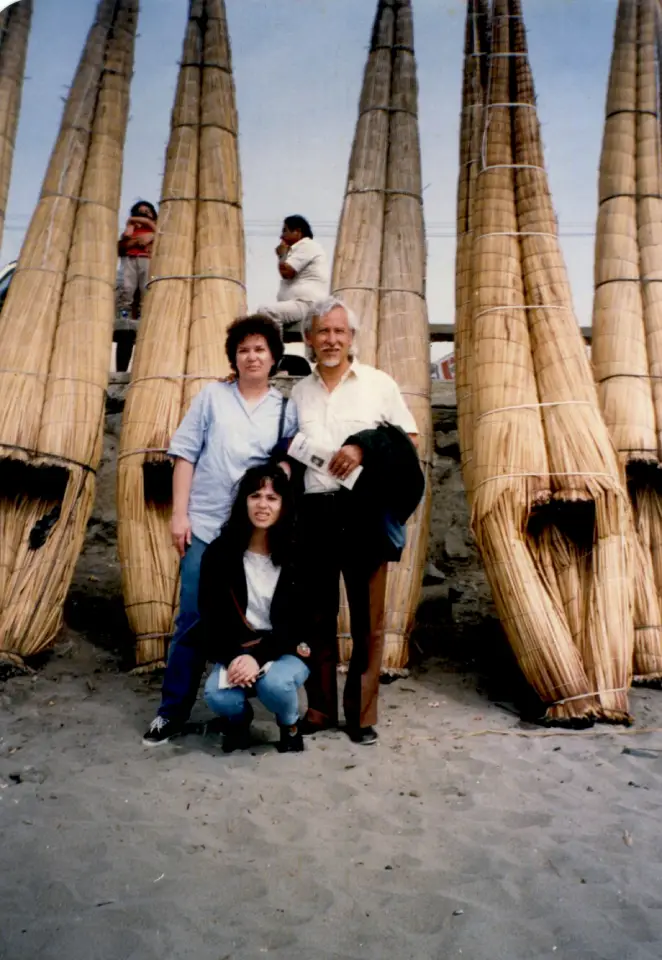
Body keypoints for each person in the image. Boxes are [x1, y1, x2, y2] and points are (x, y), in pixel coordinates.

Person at [142, 315, 298, 746]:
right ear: (234, 356)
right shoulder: (212, 397)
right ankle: (170, 713)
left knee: (250, 615)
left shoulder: (284, 408)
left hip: (253, 535)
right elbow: (185, 454)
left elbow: (287, 466)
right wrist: (180, 515)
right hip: (208, 526)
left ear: (273, 357)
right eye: (244, 349)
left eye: (260, 349)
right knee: (192, 618)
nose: (252, 356)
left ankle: (238, 702)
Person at [289, 296, 419, 746]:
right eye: (323, 331)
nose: (331, 340)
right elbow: (288, 447)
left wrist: (364, 446)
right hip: (314, 512)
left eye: (339, 332)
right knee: (316, 617)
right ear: (309, 338)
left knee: (368, 620)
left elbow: (410, 441)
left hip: (363, 511)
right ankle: (320, 709)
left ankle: (361, 716)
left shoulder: (379, 385)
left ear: (352, 338)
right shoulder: (299, 392)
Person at [200, 464, 310, 754]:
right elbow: (210, 620)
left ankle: (289, 725)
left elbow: (302, 623)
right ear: (244, 502)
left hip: (284, 649)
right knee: (217, 695)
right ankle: (239, 722)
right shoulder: (220, 553)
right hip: (239, 647)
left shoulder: (298, 554)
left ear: (284, 505)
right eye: (255, 496)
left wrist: (258, 658)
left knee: (274, 685)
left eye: (272, 498)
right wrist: (237, 657)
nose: (263, 505)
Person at [257, 215, 330, 334]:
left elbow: (287, 272)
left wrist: (282, 255)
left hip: (306, 303)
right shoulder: (299, 249)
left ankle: (274, 351)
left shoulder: (306, 245)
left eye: (285, 230)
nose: (281, 236)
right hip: (302, 304)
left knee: (266, 311)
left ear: (297, 231)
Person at [114, 200, 158, 371]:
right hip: (132, 261)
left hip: (147, 265)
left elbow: (158, 235)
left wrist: (149, 228)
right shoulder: (133, 228)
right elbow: (124, 242)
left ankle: (142, 314)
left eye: (147, 211)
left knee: (145, 289)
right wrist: (132, 227)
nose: (144, 214)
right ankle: (125, 315)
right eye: (140, 211)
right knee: (127, 287)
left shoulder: (156, 230)